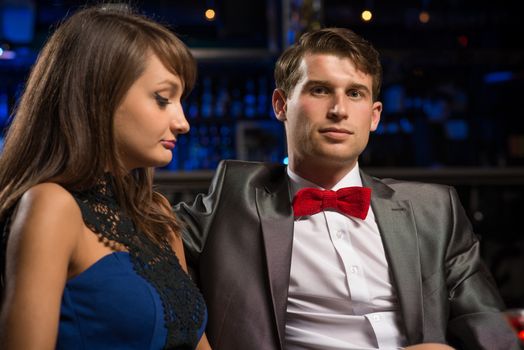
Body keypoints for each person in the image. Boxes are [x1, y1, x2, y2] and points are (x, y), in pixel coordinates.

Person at [175, 28, 520, 349]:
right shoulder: (235, 198)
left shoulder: (433, 209)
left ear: (374, 116)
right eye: (320, 90)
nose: (339, 110)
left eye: (355, 94)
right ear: (281, 105)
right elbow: (139, 231)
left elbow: (486, 323)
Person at [0, 5, 211, 350]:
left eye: (180, 101)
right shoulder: (52, 206)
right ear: (100, 97)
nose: (182, 122)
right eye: (162, 99)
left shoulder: (156, 215)